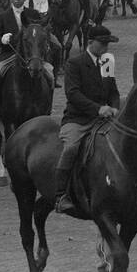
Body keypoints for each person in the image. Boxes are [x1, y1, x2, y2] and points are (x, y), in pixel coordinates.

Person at [54, 23, 121, 215]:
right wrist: (98, 108)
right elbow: (73, 94)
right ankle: (60, 195)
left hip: (103, 118)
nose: (106, 48)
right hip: (78, 119)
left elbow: (113, 91)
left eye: (108, 44)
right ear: (90, 43)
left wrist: (115, 108)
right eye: (103, 44)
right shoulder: (75, 63)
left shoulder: (107, 62)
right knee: (71, 148)